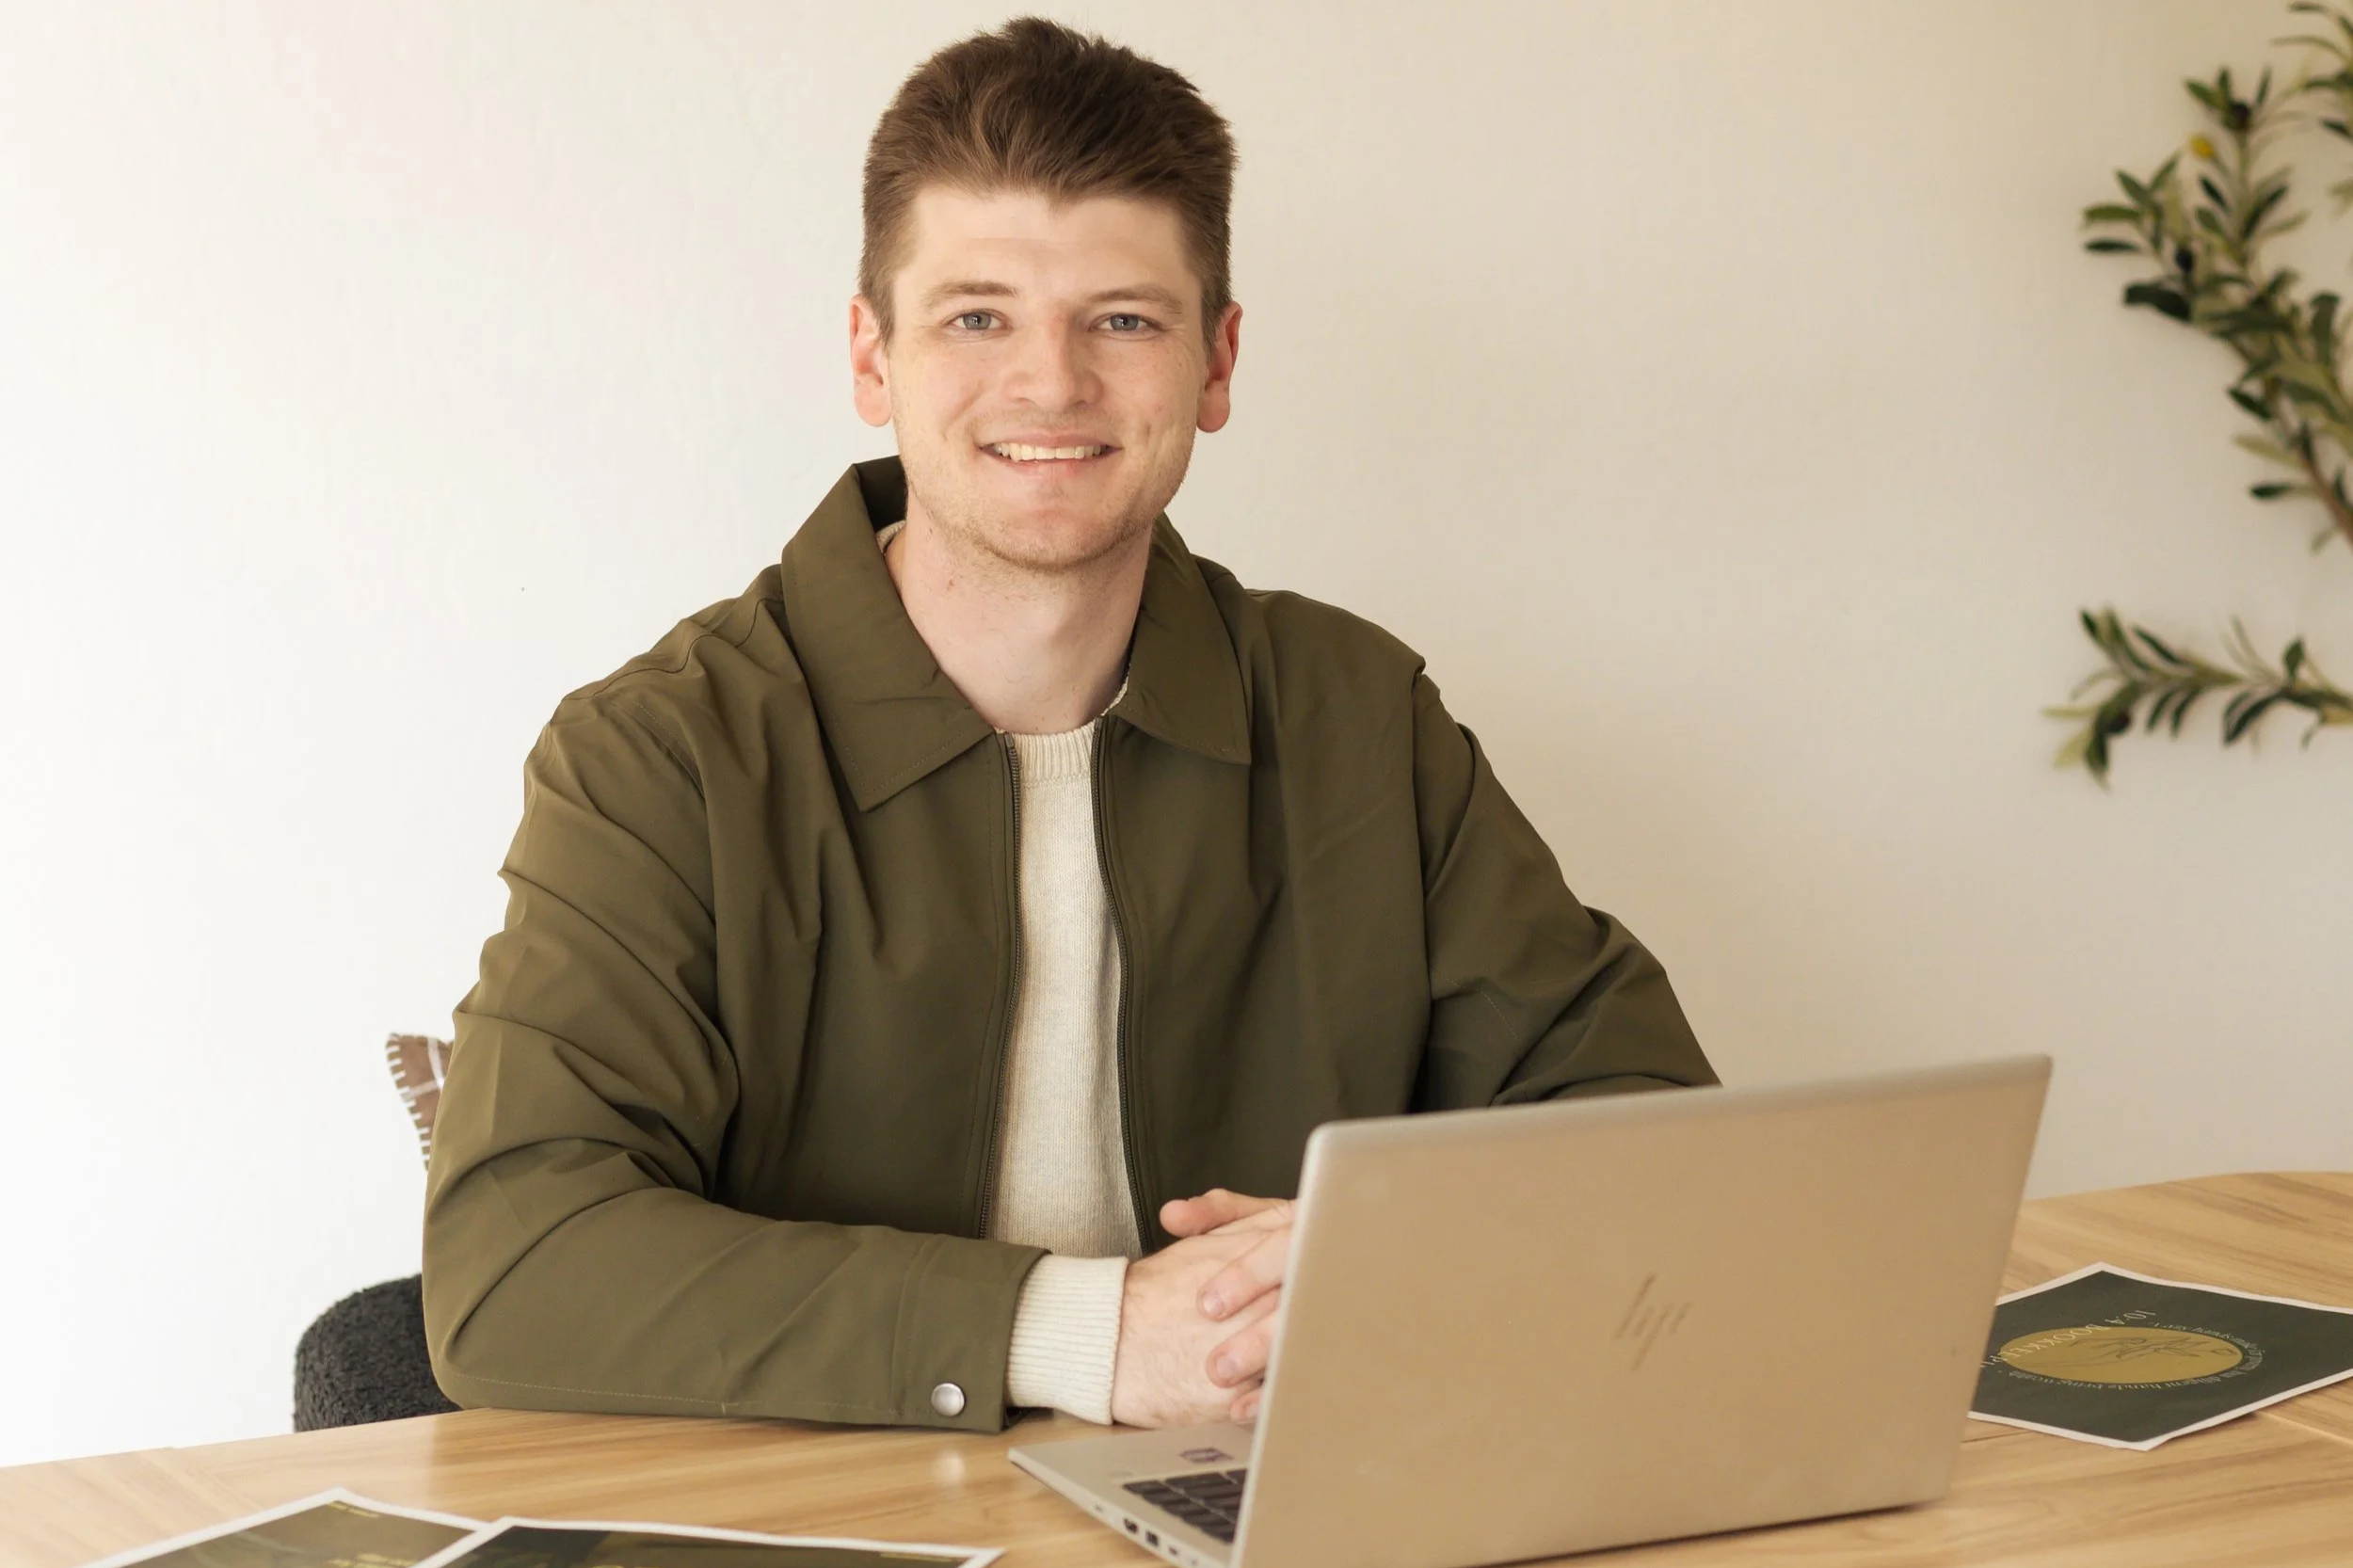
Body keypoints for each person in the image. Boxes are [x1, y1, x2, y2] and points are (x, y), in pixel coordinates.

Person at [421, 16, 1714, 1437]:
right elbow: (515, 1263)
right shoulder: (661, 756)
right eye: (977, 314)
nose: (1051, 382)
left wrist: (1383, 1258)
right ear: (873, 356)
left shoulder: (1358, 715)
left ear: (1216, 364)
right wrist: (1094, 1330)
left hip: (1266, 1491)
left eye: (1123, 319)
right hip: (836, 1516)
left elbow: (1649, 1126)